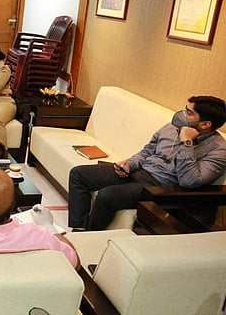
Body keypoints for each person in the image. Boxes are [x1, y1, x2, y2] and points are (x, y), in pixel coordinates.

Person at [68, 96, 226, 231]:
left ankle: (90, 236)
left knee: (108, 195)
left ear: (205, 125)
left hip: (161, 187)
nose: (181, 115)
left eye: (189, 113)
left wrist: (187, 142)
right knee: (79, 174)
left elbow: (189, 181)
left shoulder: (219, 150)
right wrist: (130, 163)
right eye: (185, 109)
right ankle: (79, 228)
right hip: (139, 172)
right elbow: (147, 151)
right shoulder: (171, 127)